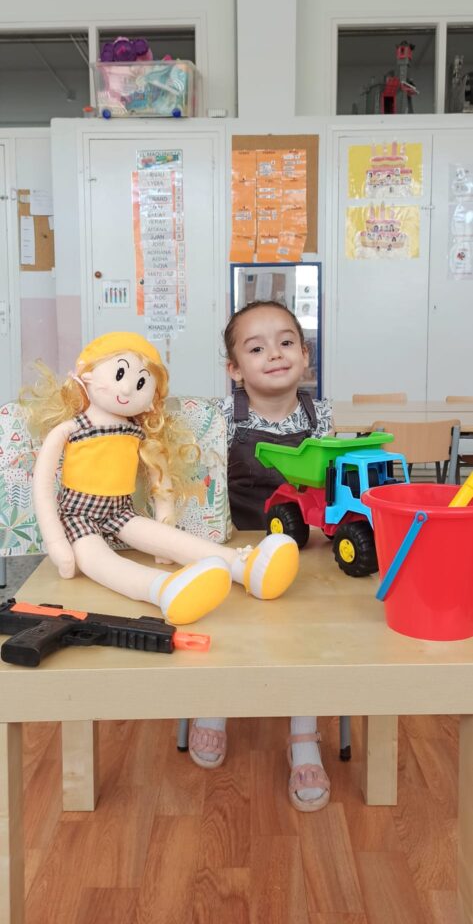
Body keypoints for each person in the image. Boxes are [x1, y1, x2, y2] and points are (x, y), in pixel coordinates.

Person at [22, 331, 299, 627]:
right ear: (85, 373)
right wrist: (56, 542)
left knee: (173, 540)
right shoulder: (70, 429)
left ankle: (245, 567)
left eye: (141, 383)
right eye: (119, 373)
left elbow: (160, 479)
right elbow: (42, 486)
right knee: (101, 562)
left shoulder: (137, 433)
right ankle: (165, 589)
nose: (127, 388)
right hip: (77, 516)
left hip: (121, 511)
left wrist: (164, 524)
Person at [188, 302, 333, 812]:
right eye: (256, 348)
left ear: (305, 354)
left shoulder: (320, 414)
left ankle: (304, 734)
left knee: (309, 634)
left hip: (303, 551)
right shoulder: (220, 417)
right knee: (221, 618)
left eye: (286, 342)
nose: (274, 353)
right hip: (234, 547)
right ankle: (215, 704)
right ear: (235, 369)